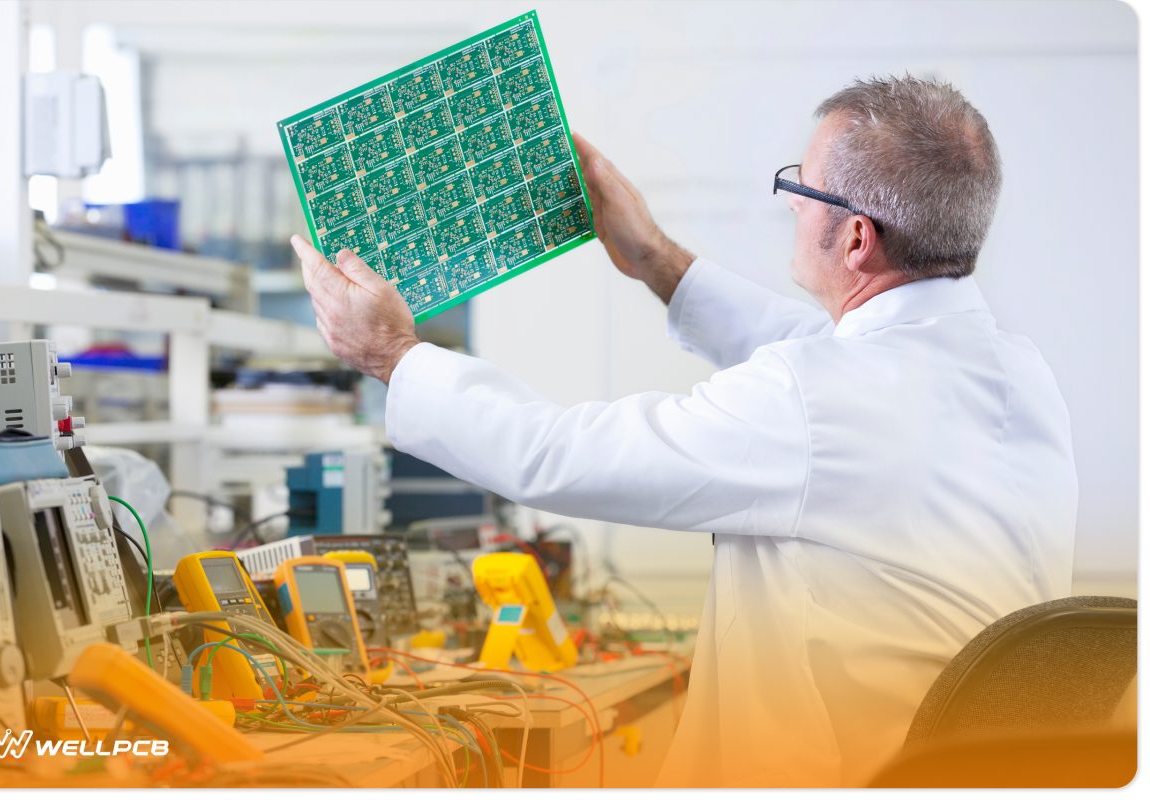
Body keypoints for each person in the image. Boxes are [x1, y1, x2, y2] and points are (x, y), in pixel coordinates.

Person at [291, 75, 1077, 787]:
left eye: (802, 188)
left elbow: (557, 456)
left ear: (856, 238)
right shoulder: (1017, 373)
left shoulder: (814, 402)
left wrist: (393, 354)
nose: (795, 205)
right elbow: (818, 364)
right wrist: (653, 256)